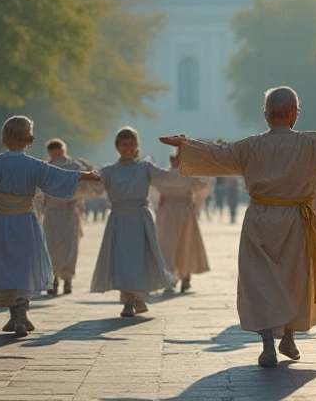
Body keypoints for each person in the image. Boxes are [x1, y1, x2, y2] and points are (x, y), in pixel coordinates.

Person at [162, 87, 316, 367]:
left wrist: (186, 145)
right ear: (294, 114)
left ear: (266, 115)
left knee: (260, 281)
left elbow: (217, 155)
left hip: (260, 220)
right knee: (295, 278)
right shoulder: (312, 144)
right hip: (296, 219)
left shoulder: (249, 147)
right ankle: (289, 337)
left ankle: (268, 343)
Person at [0, 116, 100, 336]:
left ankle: (14, 314)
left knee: (4, 264)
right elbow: (59, 176)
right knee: (24, 265)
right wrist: (84, 175)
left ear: (5, 137)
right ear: (29, 138)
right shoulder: (34, 165)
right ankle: (22, 313)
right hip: (25, 222)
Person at [87, 128, 178, 316]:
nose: (128, 148)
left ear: (136, 146)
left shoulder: (145, 167)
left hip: (140, 220)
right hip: (118, 221)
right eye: (124, 144)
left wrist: (181, 166)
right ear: (117, 147)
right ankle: (127, 300)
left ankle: (139, 297)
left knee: (140, 260)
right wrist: (84, 175)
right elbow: (92, 187)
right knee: (122, 261)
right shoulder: (110, 171)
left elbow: (166, 177)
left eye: (131, 144)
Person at [39, 139, 91, 296]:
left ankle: (67, 279)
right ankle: (53, 279)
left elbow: (85, 181)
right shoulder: (45, 168)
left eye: (59, 150)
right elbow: (38, 191)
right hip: (51, 213)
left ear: (64, 150)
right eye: (53, 151)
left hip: (69, 211)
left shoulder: (74, 165)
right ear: (50, 153)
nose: (57, 154)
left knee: (69, 246)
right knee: (51, 246)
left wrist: (79, 199)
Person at [154, 153, 212, 293]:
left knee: (167, 245)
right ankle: (182, 275)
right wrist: (196, 202)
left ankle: (172, 276)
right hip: (184, 212)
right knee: (184, 244)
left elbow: (152, 191)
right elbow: (203, 189)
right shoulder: (188, 177)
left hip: (166, 212)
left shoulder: (163, 176)